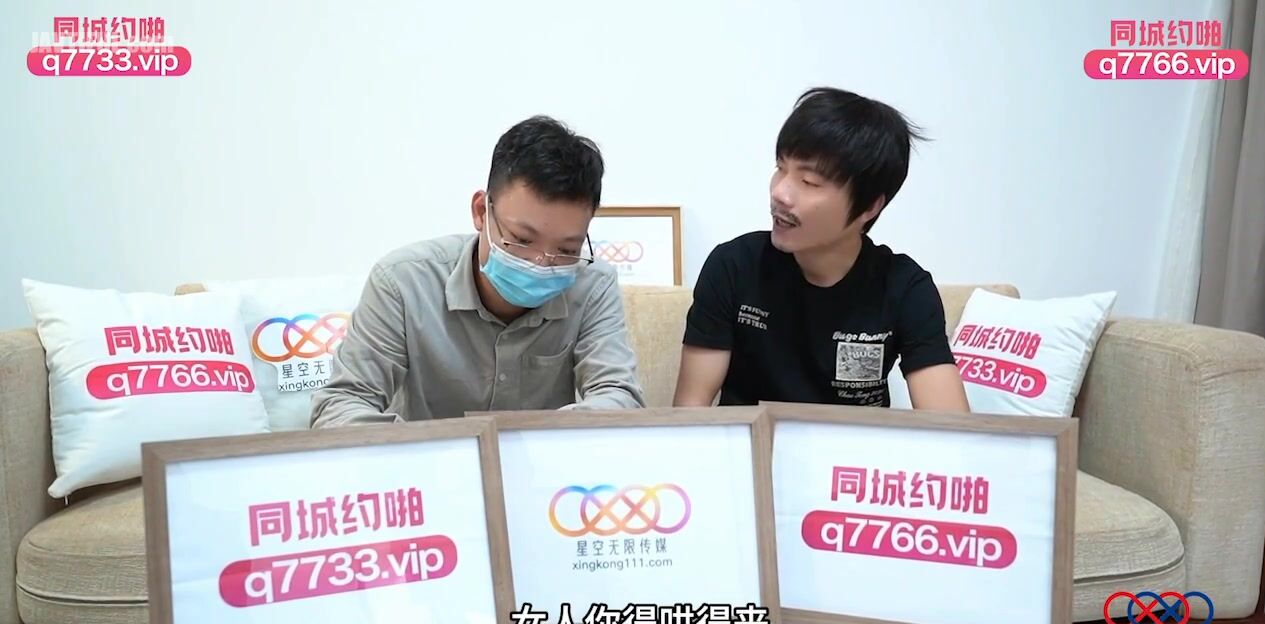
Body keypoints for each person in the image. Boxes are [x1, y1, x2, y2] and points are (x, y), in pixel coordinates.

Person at [311, 115, 644, 427]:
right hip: (430, 466)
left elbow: (618, 396)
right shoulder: (402, 283)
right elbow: (343, 403)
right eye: (521, 240)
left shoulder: (593, 285)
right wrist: (426, 452)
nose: (541, 263)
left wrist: (543, 443)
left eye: (567, 250)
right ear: (481, 212)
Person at [673, 87, 969, 412]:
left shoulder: (904, 287)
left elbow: (951, 428)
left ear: (869, 206)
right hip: (752, 443)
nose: (780, 193)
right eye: (780, 168)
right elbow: (691, 411)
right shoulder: (734, 266)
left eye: (809, 182)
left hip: (852, 445)